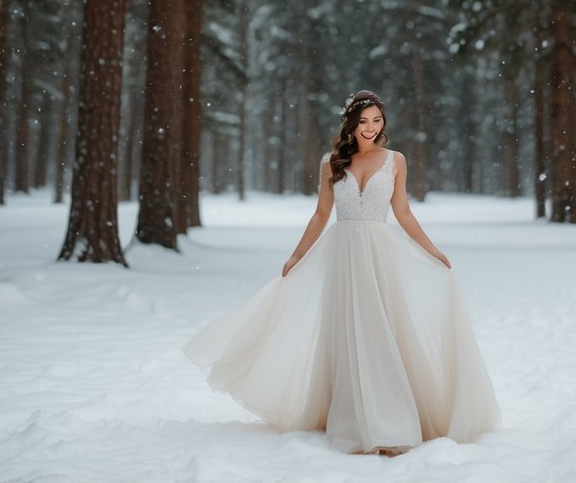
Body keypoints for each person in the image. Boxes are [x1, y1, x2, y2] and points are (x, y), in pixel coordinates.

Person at [183, 90, 500, 455]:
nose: (371, 128)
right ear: (351, 123)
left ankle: (392, 420)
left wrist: (432, 251)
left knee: (382, 332)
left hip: (379, 256)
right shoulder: (331, 161)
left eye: (377, 121)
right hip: (343, 255)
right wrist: (297, 255)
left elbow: (404, 212)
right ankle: (353, 417)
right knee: (350, 334)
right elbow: (321, 214)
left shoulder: (395, 160)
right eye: (364, 121)